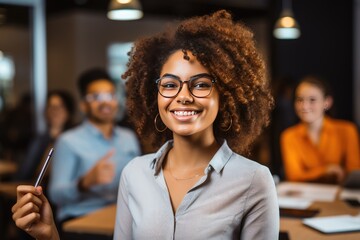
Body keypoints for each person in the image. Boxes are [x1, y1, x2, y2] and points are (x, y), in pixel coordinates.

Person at [12, 10, 279, 239]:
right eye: (170, 85)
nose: (182, 96)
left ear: (226, 95)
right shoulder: (135, 174)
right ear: (156, 96)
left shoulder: (254, 181)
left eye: (200, 84)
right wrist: (50, 236)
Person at [47, 68, 141, 227]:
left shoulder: (128, 138)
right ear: (83, 105)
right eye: (96, 97)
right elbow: (55, 194)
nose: (105, 102)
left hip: (120, 215)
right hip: (81, 219)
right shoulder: (68, 141)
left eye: (110, 95)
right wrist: (83, 183)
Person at [280, 75, 360, 183]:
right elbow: (294, 176)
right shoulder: (288, 136)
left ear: (327, 103)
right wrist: (326, 170)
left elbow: (354, 173)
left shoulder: (347, 130)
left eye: (312, 100)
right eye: (299, 100)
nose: (304, 106)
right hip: (305, 197)